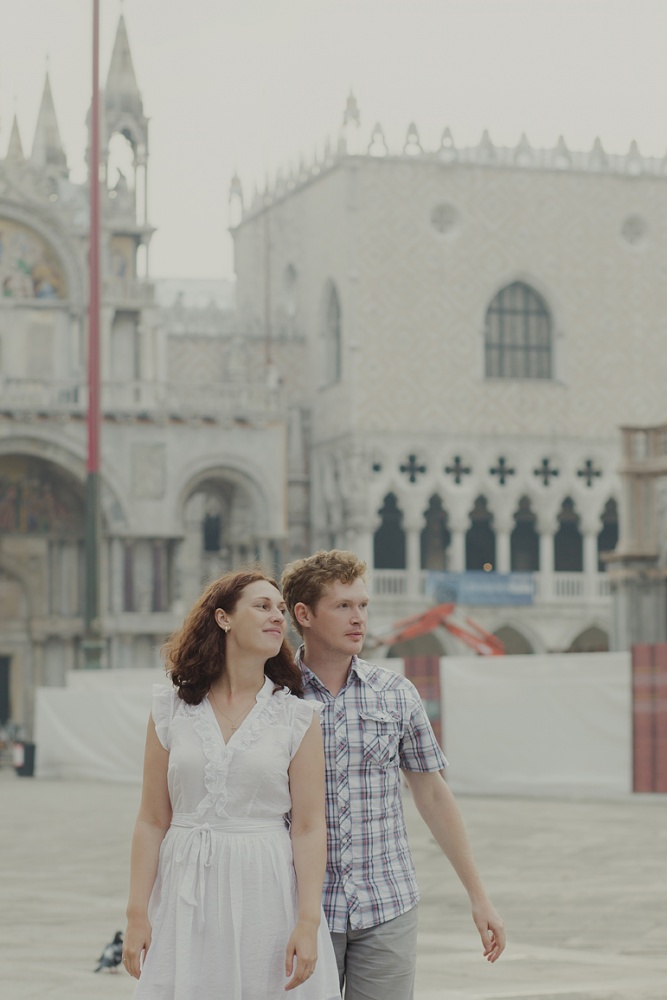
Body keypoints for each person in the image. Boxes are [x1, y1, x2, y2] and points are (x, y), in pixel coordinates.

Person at [280, 550, 506, 1000]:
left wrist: (479, 896)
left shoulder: (396, 694)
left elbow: (433, 795)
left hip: (387, 904)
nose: (358, 618)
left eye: (363, 605)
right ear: (303, 615)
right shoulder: (274, 696)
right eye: (343, 606)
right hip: (299, 910)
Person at [122, 568, 341, 1000]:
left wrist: (308, 921)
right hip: (185, 885)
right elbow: (151, 819)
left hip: (265, 886)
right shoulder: (170, 709)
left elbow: (309, 827)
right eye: (262, 606)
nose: (277, 616)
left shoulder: (297, 717)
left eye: (280, 609)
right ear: (223, 618)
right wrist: (136, 914)